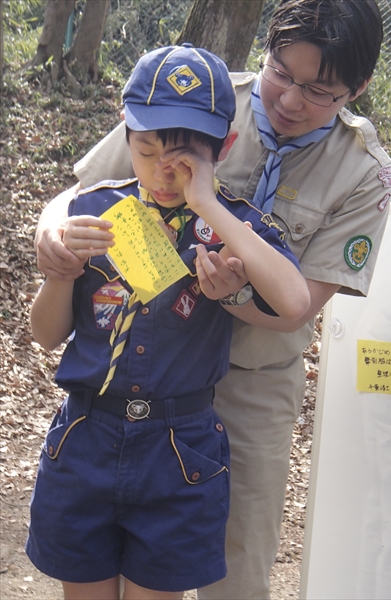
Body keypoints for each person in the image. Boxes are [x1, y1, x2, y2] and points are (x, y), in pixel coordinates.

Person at [34, 1, 391, 598]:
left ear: (357, 89)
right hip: (130, 376)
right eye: (282, 71)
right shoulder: (197, 93)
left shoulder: (363, 174)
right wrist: (50, 233)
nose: (289, 100)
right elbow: (85, 192)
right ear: (267, 52)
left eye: (318, 90)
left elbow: (297, 307)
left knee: (235, 563)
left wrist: (222, 287)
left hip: (250, 377)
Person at [26, 44, 310, 600]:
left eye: (182, 157)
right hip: (86, 436)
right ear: (126, 137)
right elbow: (44, 335)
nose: (161, 169)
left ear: (222, 149)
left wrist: (206, 204)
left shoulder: (237, 228)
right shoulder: (96, 211)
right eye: (145, 148)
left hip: (179, 450)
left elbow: (296, 302)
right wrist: (61, 271)